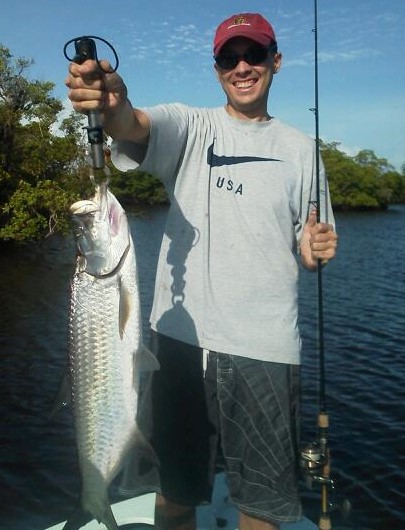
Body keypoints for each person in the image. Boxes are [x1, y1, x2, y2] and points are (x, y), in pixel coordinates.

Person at [66, 12, 338, 530]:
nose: (242, 67)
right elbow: (132, 124)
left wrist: (315, 249)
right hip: (177, 344)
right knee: (174, 492)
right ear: (216, 69)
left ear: (276, 61)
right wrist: (111, 103)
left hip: (265, 348)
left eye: (254, 55)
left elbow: (310, 244)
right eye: (228, 58)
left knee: (261, 507)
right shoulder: (192, 126)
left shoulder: (304, 151)